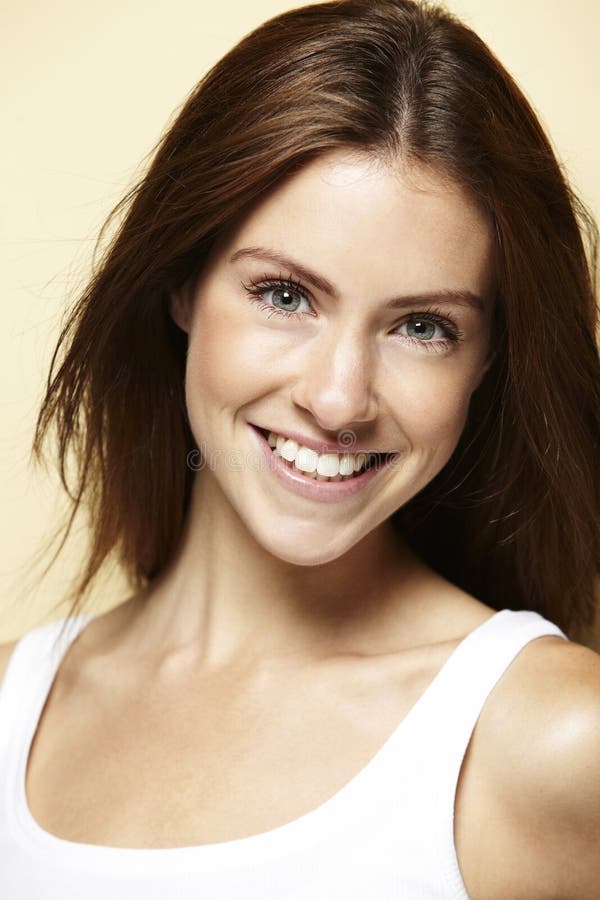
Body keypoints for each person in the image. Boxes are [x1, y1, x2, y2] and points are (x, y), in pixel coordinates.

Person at [1, 0, 599, 896]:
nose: (338, 398)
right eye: (285, 296)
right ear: (182, 282)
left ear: (486, 362)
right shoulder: (14, 707)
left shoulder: (551, 741)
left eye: (425, 326)